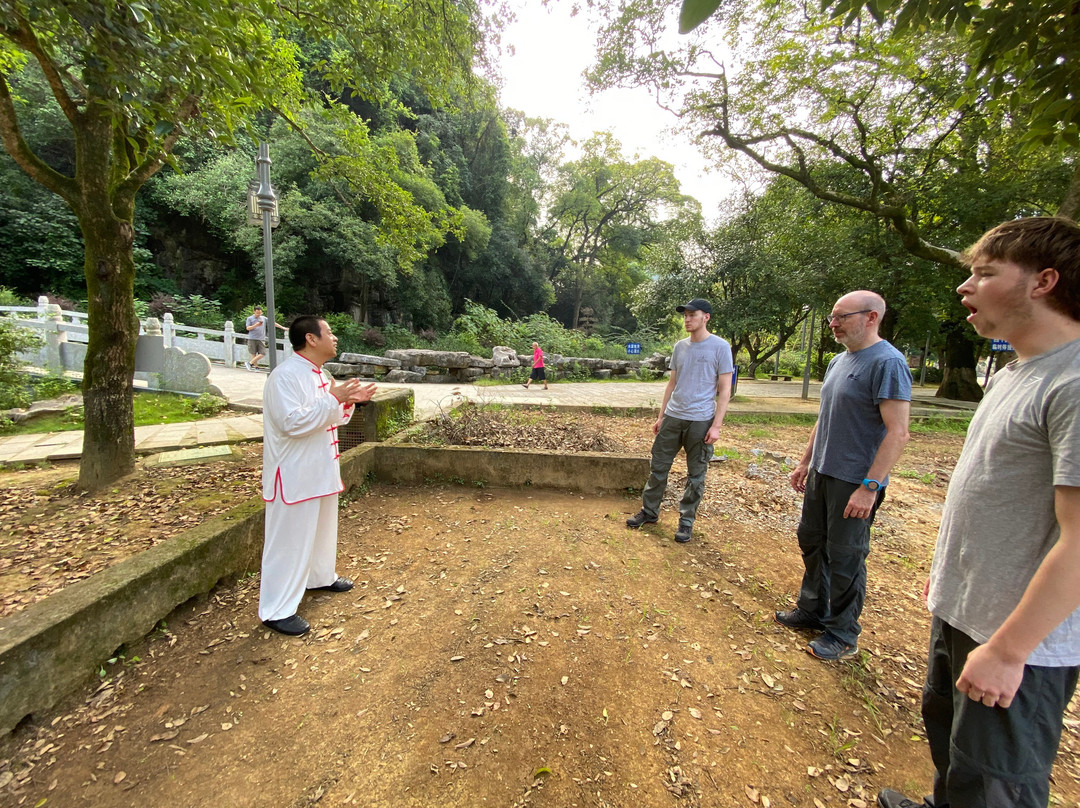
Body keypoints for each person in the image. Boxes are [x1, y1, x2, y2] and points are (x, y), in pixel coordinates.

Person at [877, 217, 1080, 808]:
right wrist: (951, 577)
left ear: (1043, 281)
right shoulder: (1015, 373)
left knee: (993, 780)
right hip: (967, 608)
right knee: (951, 742)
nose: (965, 286)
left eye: (985, 273)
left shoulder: (1072, 384)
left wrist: (1011, 651)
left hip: (1017, 639)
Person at [775, 290, 911, 661]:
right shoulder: (839, 361)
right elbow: (825, 418)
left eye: (841, 317)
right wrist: (805, 461)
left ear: (871, 317)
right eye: (831, 318)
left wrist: (870, 487)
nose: (833, 324)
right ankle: (812, 609)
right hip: (822, 472)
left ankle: (843, 633)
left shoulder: (888, 363)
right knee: (812, 539)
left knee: (846, 555)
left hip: (854, 480)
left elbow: (898, 432)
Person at [259, 316, 377, 636]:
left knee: (322, 531)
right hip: (294, 473)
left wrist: (348, 402)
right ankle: (276, 609)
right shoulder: (284, 377)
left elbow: (327, 416)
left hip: (319, 468)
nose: (335, 337)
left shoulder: (321, 374)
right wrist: (335, 397)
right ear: (311, 339)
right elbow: (292, 423)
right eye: (329, 332)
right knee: (288, 542)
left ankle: (320, 577)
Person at [626, 298, 734, 544]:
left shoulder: (720, 347)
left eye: (692, 314)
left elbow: (725, 389)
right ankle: (649, 511)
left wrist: (716, 426)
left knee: (696, 475)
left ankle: (686, 521)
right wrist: (661, 416)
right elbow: (672, 383)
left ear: (706, 317)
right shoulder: (680, 347)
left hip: (701, 420)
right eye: (685, 315)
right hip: (673, 416)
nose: (687, 319)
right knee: (658, 467)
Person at [245, 306, 267, 371]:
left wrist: (283, 328)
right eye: (257, 313)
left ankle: (250, 363)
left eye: (260, 313)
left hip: (261, 338)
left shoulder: (263, 318)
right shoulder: (250, 318)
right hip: (252, 338)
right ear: (254, 311)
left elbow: (272, 322)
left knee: (263, 353)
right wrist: (256, 325)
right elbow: (248, 328)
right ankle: (256, 367)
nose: (259, 314)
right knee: (253, 353)